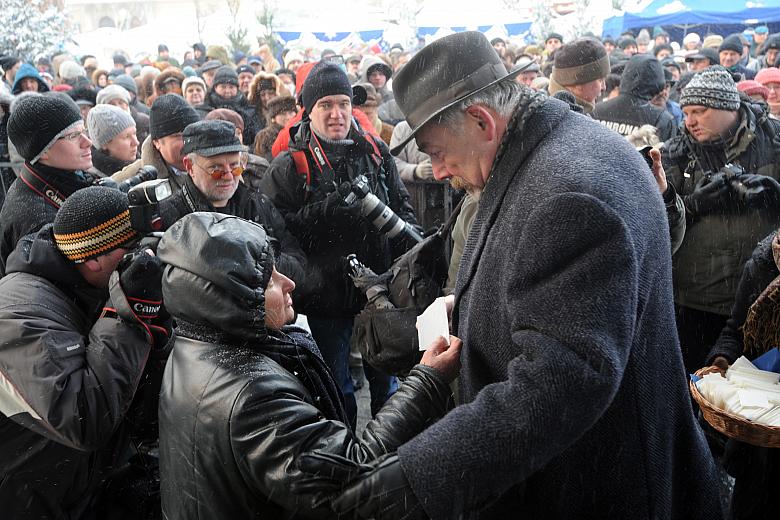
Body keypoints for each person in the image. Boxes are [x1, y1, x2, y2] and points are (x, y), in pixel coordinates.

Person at [303, 30, 722, 520]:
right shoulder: (551, 151)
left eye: (437, 151)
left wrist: (418, 477)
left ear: (481, 120)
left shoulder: (566, 194)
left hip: (600, 485)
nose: (436, 171)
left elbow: (562, 380)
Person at [156, 212, 459, 518]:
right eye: (269, 280)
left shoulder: (194, 345)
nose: (289, 283)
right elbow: (351, 480)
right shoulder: (251, 397)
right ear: (231, 300)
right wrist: (426, 381)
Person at [260, 62, 419, 429]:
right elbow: (275, 228)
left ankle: (389, 449)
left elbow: (402, 204)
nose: (337, 114)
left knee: (387, 378)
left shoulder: (376, 151)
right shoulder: (290, 165)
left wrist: (409, 239)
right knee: (336, 384)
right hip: (324, 291)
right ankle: (345, 453)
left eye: (344, 103)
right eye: (326, 105)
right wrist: (325, 212)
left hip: (378, 284)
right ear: (309, 110)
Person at [0, 186, 166, 519]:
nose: (144, 261)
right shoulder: (19, 314)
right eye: (133, 250)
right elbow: (83, 419)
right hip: (28, 497)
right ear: (91, 258)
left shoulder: (89, 284)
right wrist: (127, 314)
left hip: (77, 484)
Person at [662, 65, 780, 373]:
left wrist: (775, 194)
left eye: (699, 111)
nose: (690, 121)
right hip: (692, 299)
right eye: (686, 112)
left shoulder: (775, 141)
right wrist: (692, 204)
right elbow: (654, 220)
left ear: (728, 107)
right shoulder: (676, 152)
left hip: (759, 301)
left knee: (750, 397)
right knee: (696, 388)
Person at [0, 94, 95, 274]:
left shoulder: (50, 178)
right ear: (43, 151)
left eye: (84, 131)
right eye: (74, 136)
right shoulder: (39, 219)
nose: (88, 142)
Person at [112, 93, 201, 193]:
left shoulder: (211, 167)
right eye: (179, 136)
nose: (189, 142)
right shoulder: (130, 183)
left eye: (193, 134)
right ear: (157, 142)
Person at [593, 54, 678, 140]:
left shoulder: (596, 110)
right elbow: (666, 152)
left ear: (626, 76)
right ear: (658, 83)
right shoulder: (661, 118)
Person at [195, 66, 260, 146]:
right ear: (215, 87)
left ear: (237, 88)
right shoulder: (203, 110)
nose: (227, 91)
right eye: (223, 87)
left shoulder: (248, 111)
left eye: (231, 87)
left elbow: (254, 139)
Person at [548, 38, 609, 114]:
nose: (604, 87)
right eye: (600, 80)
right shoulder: (562, 118)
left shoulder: (552, 109)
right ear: (577, 83)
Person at [86, 104, 139, 177]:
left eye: (135, 133)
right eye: (126, 136)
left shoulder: (144, 165)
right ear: (105, 144)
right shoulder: (95, 182)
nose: (136, 142)